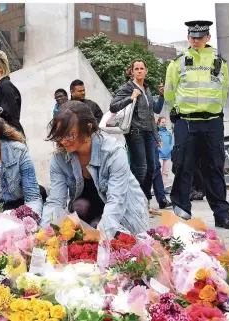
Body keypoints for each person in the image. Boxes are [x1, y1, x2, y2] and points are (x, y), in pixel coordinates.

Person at [164, 20, 229, 229]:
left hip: (212, 121)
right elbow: (170, 91)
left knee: (214, 167)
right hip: (186, 121)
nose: (196, 41)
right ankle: (182, 212)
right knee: (183, 166)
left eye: (200, 37)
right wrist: (178, 110)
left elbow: (224, 90)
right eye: (193, 37)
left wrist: (212, 109)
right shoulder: (177, 62)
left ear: (208, 37)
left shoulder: (219, 62)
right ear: (188, 38)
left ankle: (222, 215)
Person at [42, 101, 148, 238]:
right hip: (88, 215)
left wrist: (99, 235)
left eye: (69, 135)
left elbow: (117, 201)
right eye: (60, 134)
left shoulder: (113, 153)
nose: (63, 141)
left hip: (124, 217)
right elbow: (55, 201)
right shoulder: (60, 158)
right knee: (78, 211)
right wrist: (44, 233)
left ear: (88, 128)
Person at [110, 59, 162, 204]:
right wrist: (130, 97)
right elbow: (113, 106)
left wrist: (157, 137)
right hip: (135, 132)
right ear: (132, 72)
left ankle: (144, 200)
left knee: (152, 168)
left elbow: (153, 113)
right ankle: (134, 202)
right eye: (136, 69)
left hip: (149, 133)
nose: (139, 71)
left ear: (146, 71)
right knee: (141, 169)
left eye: (141, 68)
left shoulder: (147, 89)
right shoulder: (127, 87)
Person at [157, 116, 173, 188]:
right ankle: (158, 188)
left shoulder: (169, 133)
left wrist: (170, 150)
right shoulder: (157, 133)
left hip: (168, 155)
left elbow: (171, 143)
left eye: (165, 122)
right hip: (160, 155)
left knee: (165, 173)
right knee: (158, 172)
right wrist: (159, 150)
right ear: (159, 123)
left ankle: (163, 187)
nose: (164, 123)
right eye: (162, 122)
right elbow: (156, 143)